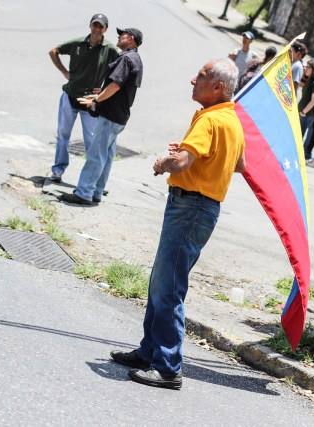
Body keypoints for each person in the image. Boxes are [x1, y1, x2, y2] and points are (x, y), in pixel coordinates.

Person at [109, 58, 246, 390]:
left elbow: (181, 163)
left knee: (168, 286)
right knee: (162, 281)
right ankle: (149, 352)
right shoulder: (231, 120)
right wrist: (193, 155)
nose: (192, 80)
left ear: (218, 87)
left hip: (191, 206)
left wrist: (164, 162)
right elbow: (239, 164)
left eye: (200, 76)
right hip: (202, 208)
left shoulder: (211, 119)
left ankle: (168, 367)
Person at [59, 28, 144, 206]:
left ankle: (84, 193)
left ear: (132, 39)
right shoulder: (135, 59)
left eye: (123, 34)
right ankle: (96, 191)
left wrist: (97, 99)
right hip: (119, 116)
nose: (119, 36)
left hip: (110, 115)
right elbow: (119, 87)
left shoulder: (126, 58)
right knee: (106, 155)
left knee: (96, 154)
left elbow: (116, 85)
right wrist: (100, 94)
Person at [49, 13, 118, 183]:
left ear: (105, 29)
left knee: (92, 142)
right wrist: (65, 72)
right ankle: (58, 170)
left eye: (100, 26)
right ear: (90, 26)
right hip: (70, 95)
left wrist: (102, 89)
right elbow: (53, 51)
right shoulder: (77, 43)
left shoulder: (109, 49)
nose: (97, 29)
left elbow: (117, 72)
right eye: (95, 25)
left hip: (90, 103)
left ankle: (92, 180)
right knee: (63, 135)